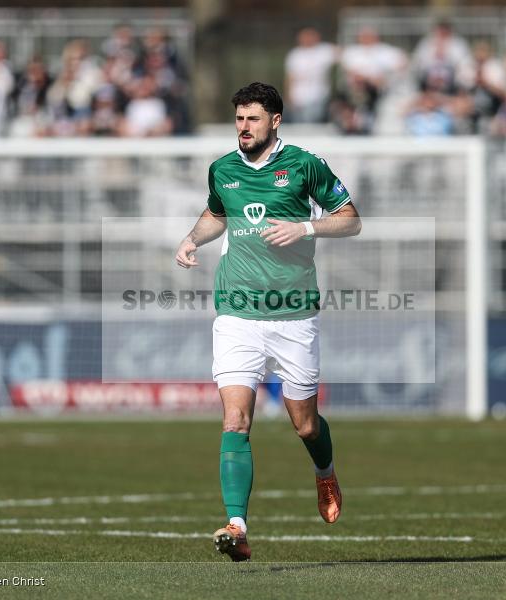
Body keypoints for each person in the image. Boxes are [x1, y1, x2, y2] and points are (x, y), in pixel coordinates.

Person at [174, 82, 361, 561]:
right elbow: (219, 213)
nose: (243, 127)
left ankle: (325, 474)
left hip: (294, 315)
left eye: (252, 119)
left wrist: (306, 226)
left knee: (305, 426)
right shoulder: (222, 169)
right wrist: (192, 239)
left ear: (274, 121)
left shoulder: (303, 165)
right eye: (239, 118)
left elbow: (351, 219)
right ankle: (236, 526)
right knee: (235, 418)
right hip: (236, 312)